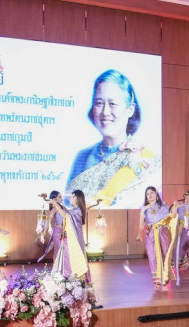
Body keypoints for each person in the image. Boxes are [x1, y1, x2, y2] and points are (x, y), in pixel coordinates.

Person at [66, 69, 160, 206]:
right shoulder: (82, 157)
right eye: (99, 103)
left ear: (130, 109)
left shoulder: (147, 158)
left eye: (112, 104)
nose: (105, 112)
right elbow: (68, 205)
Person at [43, 190, 92, 281]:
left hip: (75, 239)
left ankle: (79, 280)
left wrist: (55, 203)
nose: (69, 198)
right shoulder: (74, 210)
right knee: (63, 256)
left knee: (76, 259)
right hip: (62, 235)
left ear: (76, 199)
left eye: (72, 197)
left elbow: (66, 215)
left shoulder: (77, 211)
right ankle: (67, 277)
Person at [164, 190, 189, 284]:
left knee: (183, 245)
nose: (187, 198)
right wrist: (174, 206)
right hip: (179, 227)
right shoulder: (179, 206)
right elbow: (172, 215)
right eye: (186, 196)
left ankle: (180, 263)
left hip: (188, 228)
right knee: (176, 245)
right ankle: (176, 264)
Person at [138, 186, 171, 289]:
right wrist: (139, 234)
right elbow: (141, 224)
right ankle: (157, 281)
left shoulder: (163, 206)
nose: (150, 195)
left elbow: (170, 217)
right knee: (153, 257)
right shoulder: (144, 209)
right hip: (151, 235)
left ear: (156, 194)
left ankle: (165, 282)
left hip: (163, 233)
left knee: (164, 255)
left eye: (152, 193)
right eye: (147, 194)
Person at [36, 190, 64, 263]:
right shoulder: (55, 209)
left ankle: (62, 268)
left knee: (63, 251)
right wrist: (44, 233)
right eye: (59, 197)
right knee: (59, 251)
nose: (61, 198)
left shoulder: (62, 208)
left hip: (64, 232)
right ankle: (57, 268)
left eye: (61, 196)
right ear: (54, 199)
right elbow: (48, 221)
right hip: (57, 232)